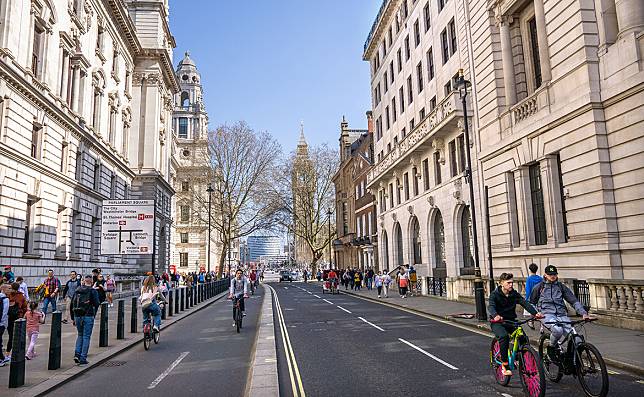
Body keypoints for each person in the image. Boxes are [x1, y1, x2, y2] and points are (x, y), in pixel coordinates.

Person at [529, 264, 591, 360]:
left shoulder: (561, 287)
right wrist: (536, 314)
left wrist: (584, 313)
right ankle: (551, 348)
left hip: (562, 314)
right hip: (546, 315)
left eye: (554, 274)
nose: (552, 276)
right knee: (558, 330)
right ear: (545, 275)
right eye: (550, 274)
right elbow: (532, 303)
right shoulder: (539, 287)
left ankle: (572, 361)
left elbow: (573, 301)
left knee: (577, 340)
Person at [489, 272, 543, 376]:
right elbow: (491, 306)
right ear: (501, 283)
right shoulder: (495, 295)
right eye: (508, 283)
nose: (511, 285)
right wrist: (495, 315)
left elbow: (525, 303)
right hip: (498, 322)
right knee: (504, 336)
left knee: (523, 338)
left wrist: (535, 313)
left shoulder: (514, 294)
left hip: (511, 321)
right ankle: (505, 365)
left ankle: (521, 359)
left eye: (512, 283)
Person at [70, 275, 100, 366]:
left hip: (77, 315)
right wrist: (93, 314)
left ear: (84, 281)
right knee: (86, 336)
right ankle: (83, 358)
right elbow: (97, 303)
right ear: (91, 282)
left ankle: (77, 354)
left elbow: (72, 304)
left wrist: (73, 318)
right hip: (88, 315)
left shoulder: (77, 290)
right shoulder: (92, 291)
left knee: (80, 335)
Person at [6, 282, 28, 360]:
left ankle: (8, 354)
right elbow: (25, 307)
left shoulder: (8, 296)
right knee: (17, 336)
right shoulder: (21, 296)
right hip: (18, 318)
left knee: (11, 336)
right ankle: (15, 353)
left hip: (10, 318)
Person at [0, 284, 9, 366]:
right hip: (1, 323)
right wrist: (3, 323)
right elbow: (5, 312)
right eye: (8, 289)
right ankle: (1, 359)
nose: (9, 290)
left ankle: (2, 357)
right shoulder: (5, 299)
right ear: (3, 289)